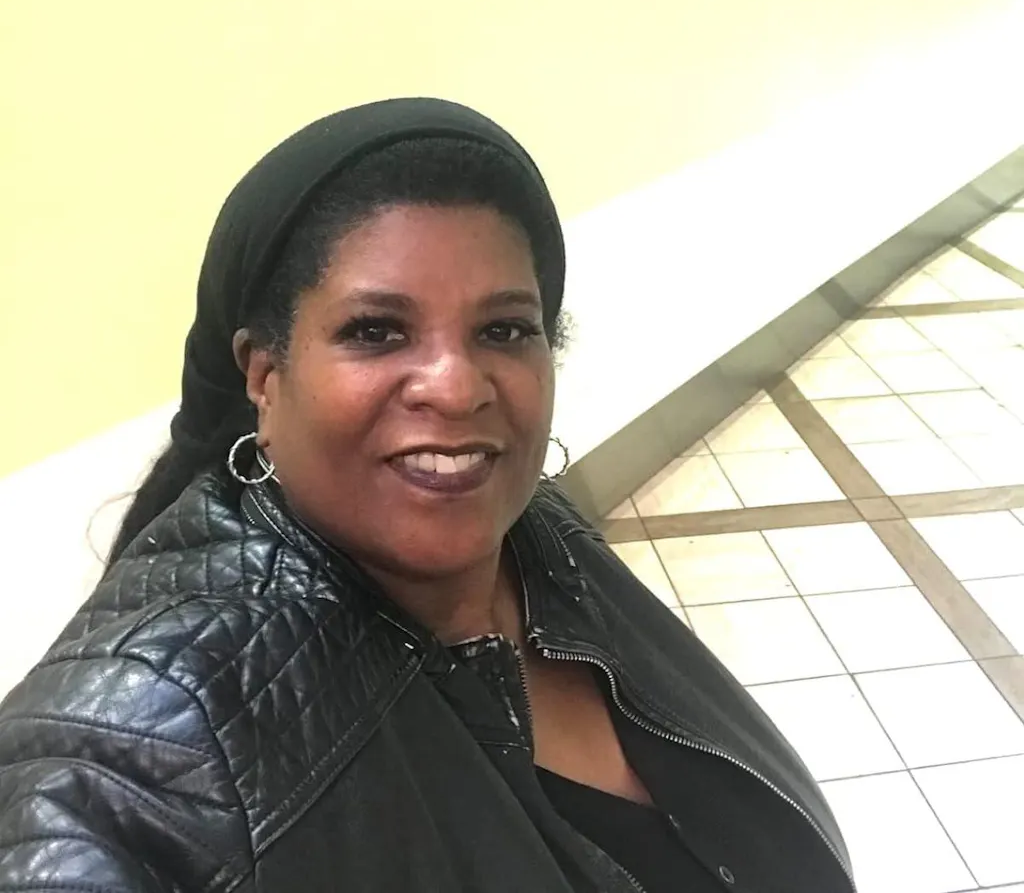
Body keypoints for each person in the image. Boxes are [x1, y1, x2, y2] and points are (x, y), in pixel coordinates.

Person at [0, 98, 853, 893]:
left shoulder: (536, 538)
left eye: (503, 329)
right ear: (263, 374)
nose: (456, 386)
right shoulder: (153, 733)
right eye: (376, 331)